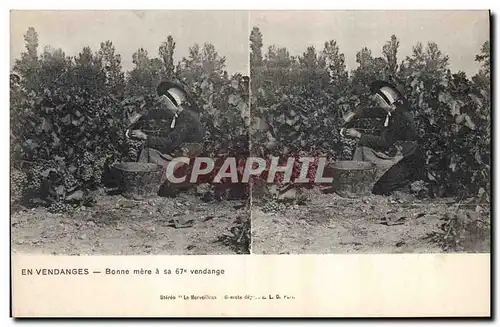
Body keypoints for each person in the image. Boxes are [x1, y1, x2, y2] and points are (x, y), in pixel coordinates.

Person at [342, 80, 425, 195]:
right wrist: (354, 114)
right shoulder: (392, 111)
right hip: (395, 150)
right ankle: (357, 178)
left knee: (380, 188)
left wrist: (358, 135)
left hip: (407, 157)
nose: (378, 105)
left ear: (387, 101)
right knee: (362, 147)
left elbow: (384, 142)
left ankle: (409, 182)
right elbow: (372, 112)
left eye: (379, 102)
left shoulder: (401, 118)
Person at [127, 81, 204, 192]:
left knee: (149, 150)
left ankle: (143, 182)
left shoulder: (186, 119)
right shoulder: (182, 115)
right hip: (185, 149)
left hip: (186, 152)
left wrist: (145, 137)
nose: (165, 106)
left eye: (166, 102)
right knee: (150, 149)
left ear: (172, 103)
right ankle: (143, 181)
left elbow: (170, 142)